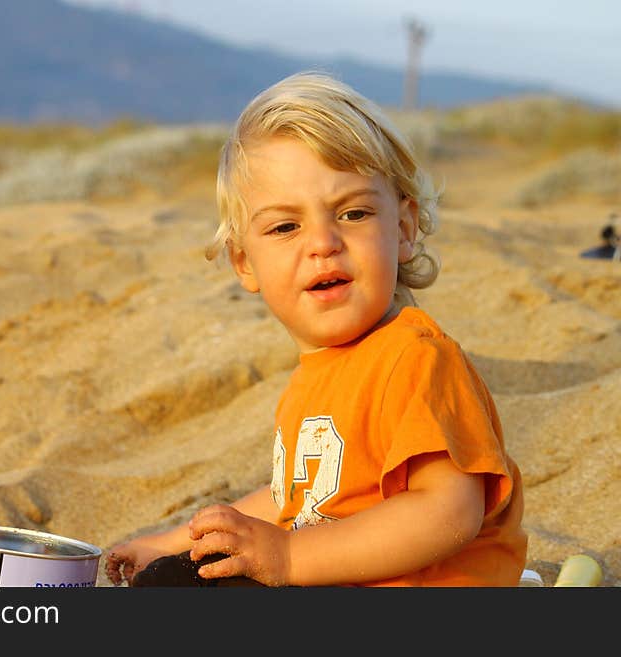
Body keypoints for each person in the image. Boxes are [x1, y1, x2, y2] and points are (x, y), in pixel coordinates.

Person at [105, 70, 528, 587]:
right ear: (245, 263)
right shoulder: (314, 379)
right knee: (175, 577)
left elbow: (448, 511)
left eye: (352, 213)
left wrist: (287, 556)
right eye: (285, 226)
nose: (323, 242)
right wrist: (170, 543)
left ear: (402, 229)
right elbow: (293, 499)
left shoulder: (415, 358)